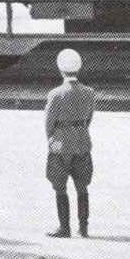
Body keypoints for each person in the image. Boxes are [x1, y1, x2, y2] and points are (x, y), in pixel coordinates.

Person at [44, 48, 95, 238]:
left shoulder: (55, 94)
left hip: (60, 143)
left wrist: (53, 140)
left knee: (59, 186)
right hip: (82, 141)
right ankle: (83, 228)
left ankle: (64, 227)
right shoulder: (89, 92)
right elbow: (89, 118)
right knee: (82, 187)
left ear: (60, 70)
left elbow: (48, 123)